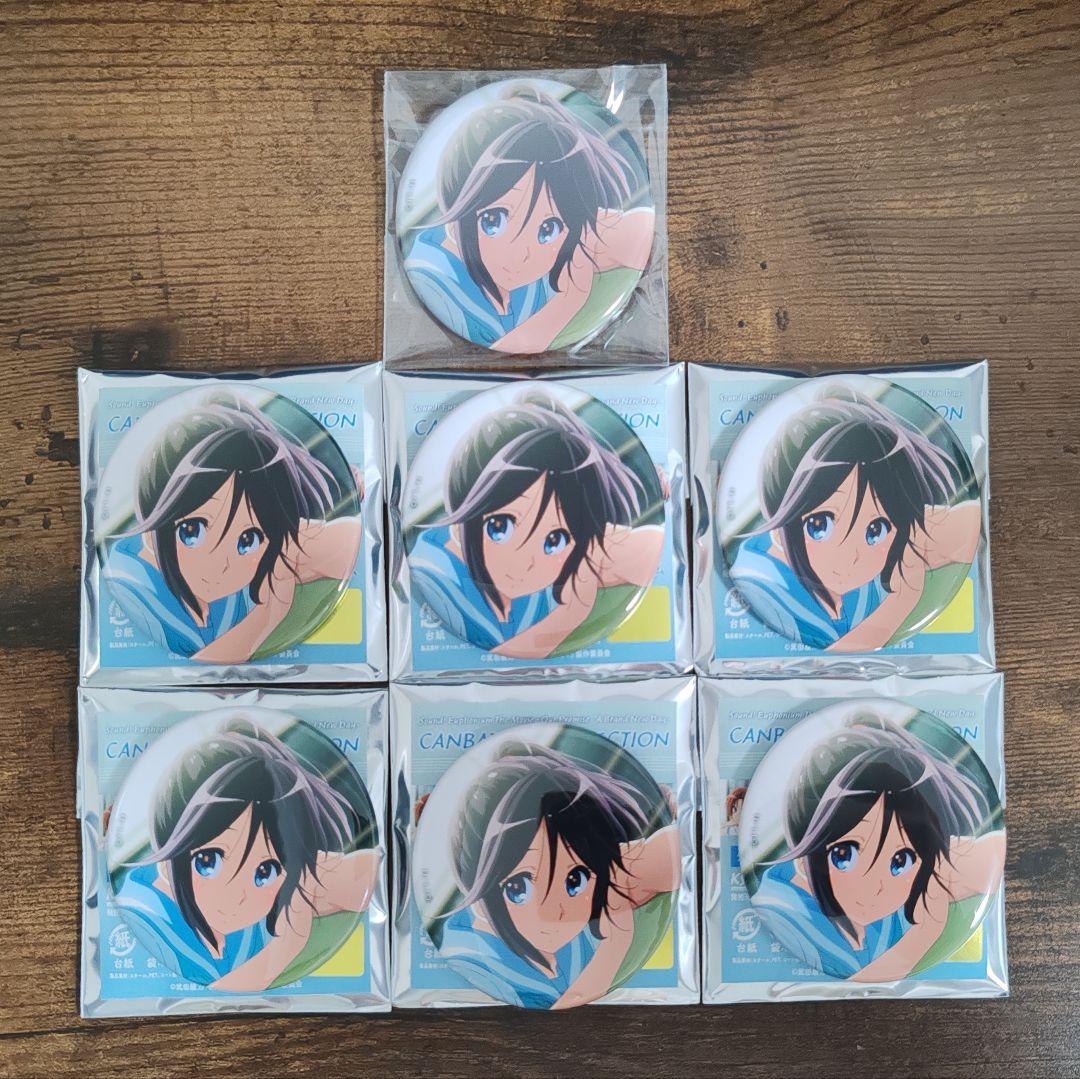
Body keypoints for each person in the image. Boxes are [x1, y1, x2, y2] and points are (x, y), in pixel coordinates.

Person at [113, 719, 378, 992]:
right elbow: (204, 998)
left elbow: (367, 873)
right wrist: (285, 945)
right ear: (167, 858)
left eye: (265, 871)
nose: (236, 896)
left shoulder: (281, 888)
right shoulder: (143, 922)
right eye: (208, 862)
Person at [103, 392, 362, 663]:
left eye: (247, 539)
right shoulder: (129, 590)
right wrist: (267, 615)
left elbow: (345, 541)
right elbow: (193, 668)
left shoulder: (268, 552)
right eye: (192, 531)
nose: (220, 565)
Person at [409, 390, 664, 658]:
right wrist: (571, 612)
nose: (525, 562)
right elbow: (483, 660)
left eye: (554, 539)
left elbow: (649, 546)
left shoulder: (572, 553)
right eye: (500, 527)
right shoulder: (434, 579)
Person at [753, 716, 1004, 981]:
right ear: (805, 855)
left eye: (900, 860)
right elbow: (841, 988)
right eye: (844, 855)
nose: (874, 888)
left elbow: (992, 853)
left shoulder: (918, 871)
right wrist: (926, 931)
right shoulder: (782, 916)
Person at [728, 388, 981, 651]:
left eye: (875, 529)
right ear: (779, 528)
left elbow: (966, 524)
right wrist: (902, 600)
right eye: (820, 526)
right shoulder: (759, 591)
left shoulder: (890, 543)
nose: (851, 556)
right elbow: (821, 662)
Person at [404, 87, 654, 353]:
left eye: (548, 228)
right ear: (457, 214)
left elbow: (635, 229)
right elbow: (505, 346)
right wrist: (568, 300)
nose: (521, 254)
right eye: (494, 220)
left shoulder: (561, 246)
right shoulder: (433, 278)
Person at [437, 740, 680, 1009]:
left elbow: (670, 854)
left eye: (575, 880)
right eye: (519, 888)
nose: (554, 912)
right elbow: (552, 1009)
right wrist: (614, 945)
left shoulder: (604, 872)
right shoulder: (473, 958)